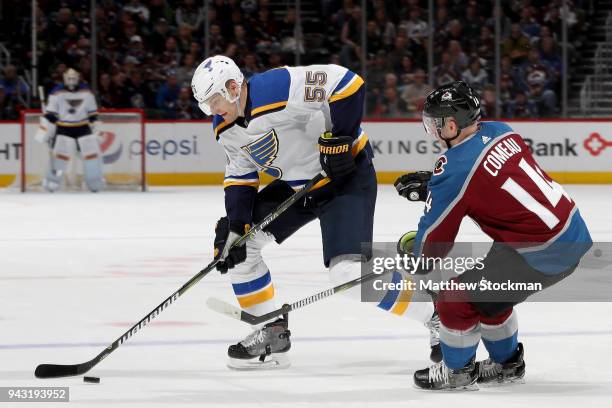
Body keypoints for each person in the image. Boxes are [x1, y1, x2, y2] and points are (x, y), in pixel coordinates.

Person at [191, 55, 439, 370]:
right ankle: (272, 331)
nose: (212, 110)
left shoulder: (276, 87)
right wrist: (236, 226)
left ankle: (435, 313)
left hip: (343, 179)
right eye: (205, 105)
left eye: (214, 101)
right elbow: (241, 175)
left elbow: (348, 84)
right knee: (241, 248)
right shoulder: (224, 127)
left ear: (231, 86)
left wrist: (341, 139)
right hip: (297, 187)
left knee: (347, 274)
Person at [394, 81, 591, 390]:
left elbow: (434, 242)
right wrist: (437, 184)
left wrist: (416, 256)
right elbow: (491, 177)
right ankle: (507, 364)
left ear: (451, 124)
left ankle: (456, 371)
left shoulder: (455, 168)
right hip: (569, 231)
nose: (431, 131)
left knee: (453, 299)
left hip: (541, 250)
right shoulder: (502, 129)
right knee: (491, 298)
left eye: (434, 124)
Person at [34, 68, 104, 192]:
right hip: (63, 128)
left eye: (74, 78)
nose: (71, 81)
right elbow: (50, 115)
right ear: (64, 78)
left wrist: (97, 129)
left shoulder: (87, 92)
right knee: (60, 156)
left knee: (91, 154)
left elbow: (93, 115)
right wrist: (46, 131)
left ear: (78, 78)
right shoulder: (56, 92)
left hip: (83, 127)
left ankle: (94, 181)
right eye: (69, 78)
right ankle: (52, 181)